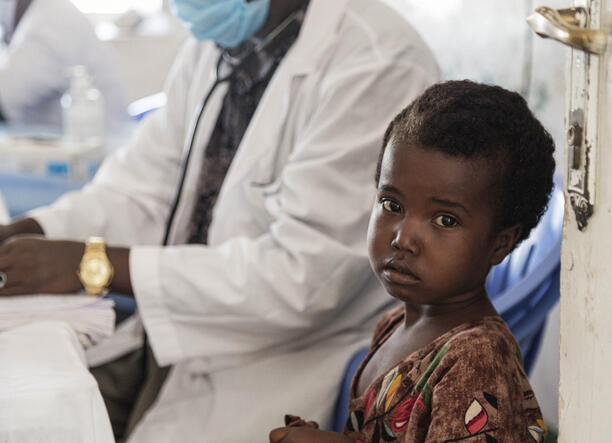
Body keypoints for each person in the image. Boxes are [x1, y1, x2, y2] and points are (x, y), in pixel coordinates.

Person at [0, 0, 440, 441]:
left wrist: (92, 264)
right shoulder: (223, 44)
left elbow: (300, 279)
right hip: (175, 329)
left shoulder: (376, 63)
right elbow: (141, 185)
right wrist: (34, 231)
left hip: (279, 355)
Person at [269, 80, 555, 443]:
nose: (403, 239)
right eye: (392, 205)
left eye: (445, 220)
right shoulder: (393, 324)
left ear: (500, 243)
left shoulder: (475, 360)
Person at [0, 0, 128, 127]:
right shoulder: (37, 15)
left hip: (100, 141)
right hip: (65, 141)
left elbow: (5, 99)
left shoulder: (51, 20)